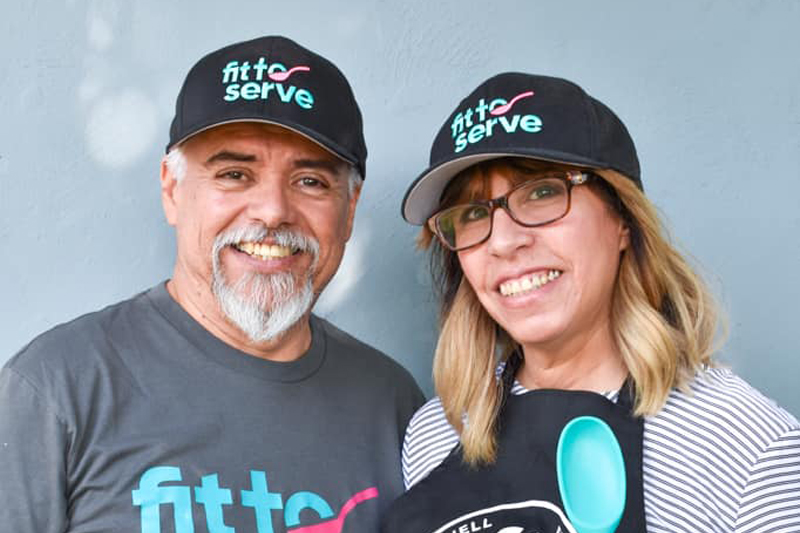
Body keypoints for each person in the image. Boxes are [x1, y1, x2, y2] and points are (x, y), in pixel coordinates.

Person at [0, 36, 424, 533]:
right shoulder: (57, 388)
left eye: (310, 181)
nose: (272, 210)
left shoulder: (394, 405)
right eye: (235, 174)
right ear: (172, 190)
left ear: (349, 212)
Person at [382, 73, 800, 532]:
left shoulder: (744, 444)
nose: (503, 241)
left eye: (541, 192)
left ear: (622, 220)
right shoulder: (436, 433)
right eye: (471, 214)